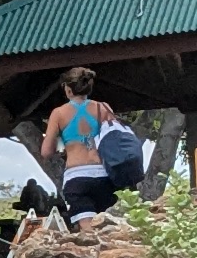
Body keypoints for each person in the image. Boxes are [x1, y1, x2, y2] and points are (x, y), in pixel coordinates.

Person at [37, 67, 144, 225]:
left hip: (76, 177)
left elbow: (46, 152)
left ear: (68, 90)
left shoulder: (58, 113)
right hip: (104, 176)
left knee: (88, 234)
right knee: (107, 229)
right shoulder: (103, 108)